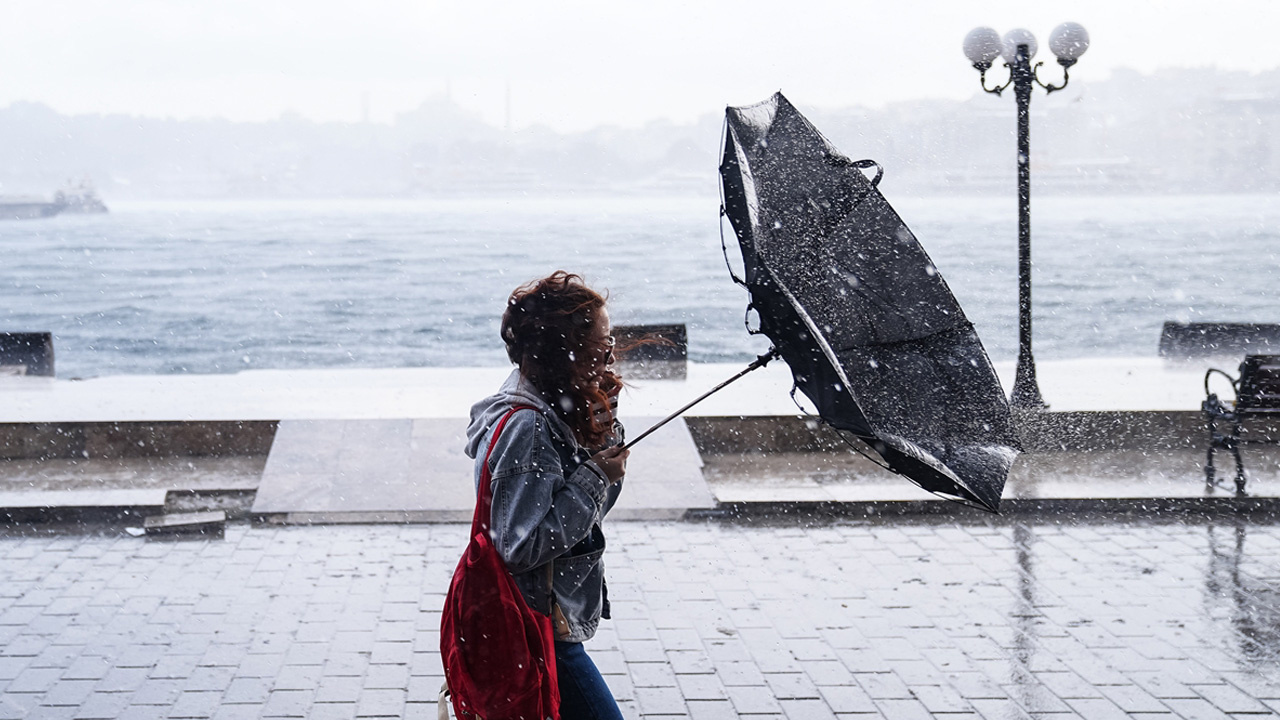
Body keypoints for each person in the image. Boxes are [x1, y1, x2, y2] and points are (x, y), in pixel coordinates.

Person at [464, 271, 629, 720]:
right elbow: (521, 546)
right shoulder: (529, 426)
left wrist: (599, 440)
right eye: (601, 345)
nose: (610, 356)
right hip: (536, 625)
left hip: (537, 621)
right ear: (566, 352)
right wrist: (595, 475)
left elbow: (587, 518)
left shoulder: (548, 406)